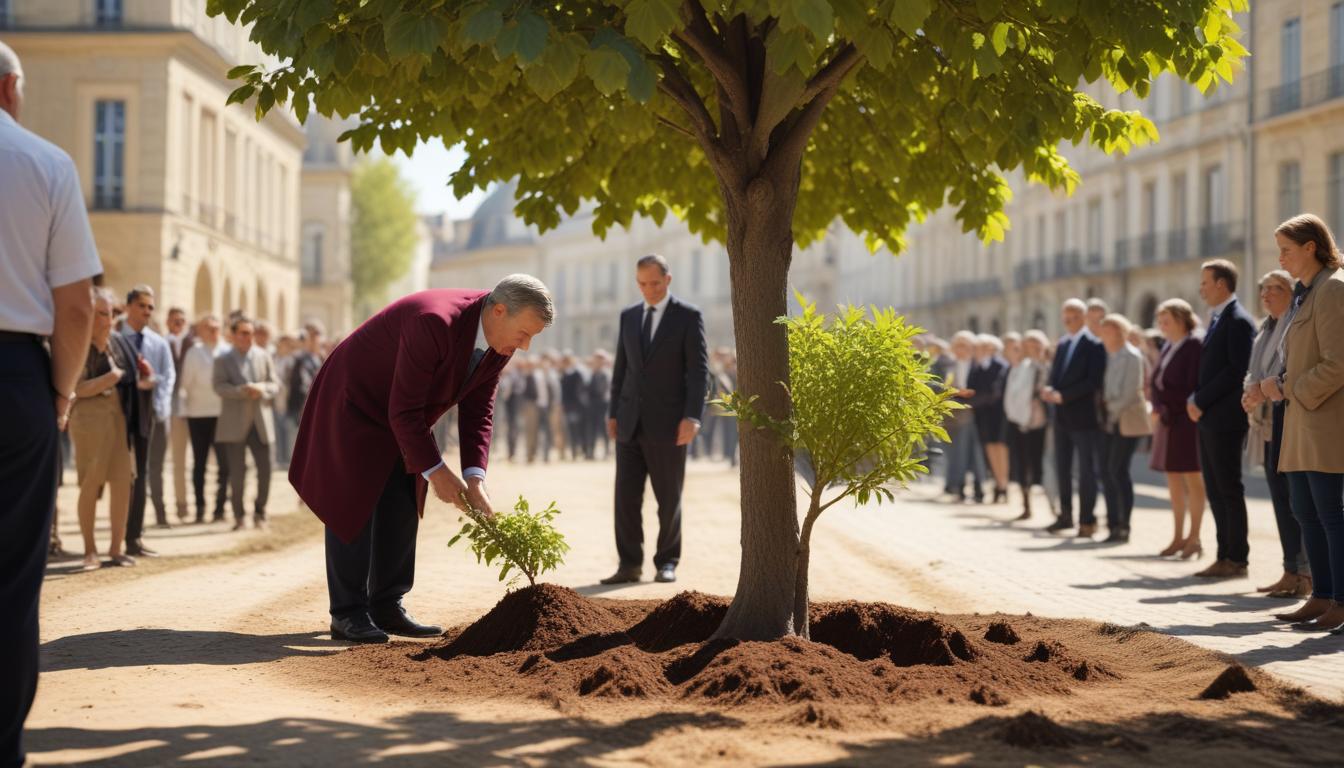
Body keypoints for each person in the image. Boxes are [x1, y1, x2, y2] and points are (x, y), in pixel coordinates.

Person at [290, 276, 552, 643]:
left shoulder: (499, 342)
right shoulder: (434, 321)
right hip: (355, 402)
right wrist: (438, 472)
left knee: (401, 500)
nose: (524, 346)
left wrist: (475, 476)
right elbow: (405, 411)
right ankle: (348, 612)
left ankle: (386, 605)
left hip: (401, 413)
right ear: (498, 310)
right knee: (354, 504)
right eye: (524, 333)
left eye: (532, 338)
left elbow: (479, 410)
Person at [0, 38, 101, 768]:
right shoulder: (45, 163)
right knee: (9, 580)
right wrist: (61, 393)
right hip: (13, 380)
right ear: (11, 90)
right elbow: (76, 308)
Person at [601, 254, 709, 585]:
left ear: (668, 280)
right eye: (643, 284)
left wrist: (692, 415)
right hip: (629, 421)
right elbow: (622, 368)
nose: (649, 290)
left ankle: (667, 562)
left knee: (669, 497)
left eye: (655, 283)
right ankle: (629, 564)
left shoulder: (688, 317)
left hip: (670, 423)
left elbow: (699, 371)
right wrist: (613, 411)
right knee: (625, 498)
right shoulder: (629, 316)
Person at [1264, 214, 1344, 630]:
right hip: (1299, 422)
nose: (1281, 258)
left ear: (1310, 246)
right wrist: (1278, 383)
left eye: (1286, 250)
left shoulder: (1334, 289)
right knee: (1304, 511)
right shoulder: (1305, 292)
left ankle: (1341, 600)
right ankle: (1323, 595)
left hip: (1325, 422)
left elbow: (1337, 363)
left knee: (1331, 513)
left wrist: (1291, 388)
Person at [1241, 270, 1309, 599]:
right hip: (1267, 423)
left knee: (1297, 501)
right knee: (1281, 501)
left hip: (1288, 418)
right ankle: (1289, 570)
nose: (1267, 294)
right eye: (1264, 288)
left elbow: (1285, 371)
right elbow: (1253, 372)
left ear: (1290, 294)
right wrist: (1249, 392)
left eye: (1276, 288)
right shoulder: (1263, 328)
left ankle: (1305, 573)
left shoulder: (1293, 325)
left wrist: (1261, 390)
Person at [1189, 259, 1255, 579]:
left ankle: (1237, 558)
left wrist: (1200, 400)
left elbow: (1235, 370)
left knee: (1228, 488)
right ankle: (1223, 554)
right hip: (1209, 417)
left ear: (1221, 284)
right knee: (1214, 488)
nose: (1201, 289)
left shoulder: (1238, 320)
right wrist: (1195, 399)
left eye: (1205, 282)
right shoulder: (1217, 318)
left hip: (1225, 418)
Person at [69, 288, 137, 570]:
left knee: (123, 482)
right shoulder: (76, 345)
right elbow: (75, 388)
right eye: (99, 314)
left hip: (118, 421)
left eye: (108, 314)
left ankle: (116, 549)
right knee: (90, 483)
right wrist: (109, 379)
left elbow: (131, 377)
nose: (105, 320)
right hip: (88, 422)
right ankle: (89, 551)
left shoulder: (118, 344)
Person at [1042, 299, 1107, 537]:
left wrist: (1064, 396)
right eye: (1065, 318)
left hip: (1084, 417)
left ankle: (1087, 520)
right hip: (1061, 417)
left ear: (1083, 317)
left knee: (1086, 470)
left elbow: (1094, 381)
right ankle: (1065, 515)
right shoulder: (1062, 344)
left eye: (1073, 317)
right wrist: (1049, 389)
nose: (1068, 322)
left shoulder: (1094, 344)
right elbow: (1055, 375)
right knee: (1063, 468)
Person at [1149, 299, 1205, 559]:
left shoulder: (1193, 345)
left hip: (1186, 420)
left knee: (1192, 478)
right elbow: (1156, 381)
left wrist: (1168, 402)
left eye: (1166, 320)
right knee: (1172, 478)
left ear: (1182, 320)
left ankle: (1195, 538)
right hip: (1168, 419)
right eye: (1160, 321)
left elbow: (1193, 382)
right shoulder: (1168, 346)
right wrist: (1158, 405)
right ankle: (1178, 536)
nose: (1162, 326)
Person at [121, 285, 176, 546]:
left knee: (141, 472)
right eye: (142, 305)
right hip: (117, 415)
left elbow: (168, 377)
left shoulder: (159, 343)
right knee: (117, 473)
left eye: (150, 307)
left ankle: (134, 536)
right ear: (129, 306)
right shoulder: (115, 337)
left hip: (148, 414)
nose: (146, 311)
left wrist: (159, 404)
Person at [213, 316, 279, 531]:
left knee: (265, 470)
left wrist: (262, 389)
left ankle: (260, 512)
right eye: (243, 333)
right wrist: (241, 391)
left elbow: (275, 384)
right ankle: (239, 516)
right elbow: (218, 387)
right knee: (237, 473)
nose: (248, 337)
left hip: (261, 424)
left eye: (250, 333)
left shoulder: (263, 355)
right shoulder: (222, 359)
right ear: (233, 335)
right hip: (234, 425)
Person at [1098, 314, 1150, 544]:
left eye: (1108, 331)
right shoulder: (1107, 355)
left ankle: (1124, 524)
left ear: (1119, 332)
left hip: (1125, 419)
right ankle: (1112, 523)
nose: (1104, 335)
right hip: (1109, 420)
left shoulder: (1132, 355)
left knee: (1117, 470)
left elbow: (1131, 391)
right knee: (1108, 472)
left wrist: (1111, 410)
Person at [179, 315, 229, 523]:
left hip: (223, 415)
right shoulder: (194, 352)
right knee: (199, 463)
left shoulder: (227, 351)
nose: (213, 331)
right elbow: (186, 383)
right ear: (200, 330)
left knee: (224, 465)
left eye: (216, 327)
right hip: (198, 414)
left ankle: (219, 508)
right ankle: (200, 508)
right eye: (208, 327)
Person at [1004, 330, 1049, 521]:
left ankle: (1056, 508)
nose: (1032, 349)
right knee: (1023, 464)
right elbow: (1012, 394)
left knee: (1044, 465)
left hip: (1043, 423)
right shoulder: (1019, 368)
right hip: (1020, 421)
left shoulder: (1047, 366)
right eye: (1028, 345)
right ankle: (1026, 504)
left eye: (1036, 345)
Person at [943, 331, 986, 503]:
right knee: (957, 453)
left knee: (975, 454)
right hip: (955, 417)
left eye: (965, 345)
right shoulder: (949, 366)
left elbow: (985, 391)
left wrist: (970, 397)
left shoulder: (978, 366)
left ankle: (979, 488)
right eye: (959, 345)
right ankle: (958, 486)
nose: (962, 349)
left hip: (975, 415)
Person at [969, 334, 1010, 503]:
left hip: (998, 413)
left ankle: (1004, 484)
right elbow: (970, 388)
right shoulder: (977, 366)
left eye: (984, 347)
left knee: (1000, 447)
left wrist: (976, 401)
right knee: (989, 448)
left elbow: (995, 391)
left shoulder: (1000, 365)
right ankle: (998, 483)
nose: (980, 350)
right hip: (982, 414)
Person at [164, 306, 191, 523]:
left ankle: (182, 504)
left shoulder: (193, 345)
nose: (178, 324)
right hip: (164, 409)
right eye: (175, 320)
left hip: (188, 409)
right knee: (161, 461)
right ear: (168, 322)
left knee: (182, 460)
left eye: (182, 320)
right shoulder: (161, 343)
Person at [559, 353, 589, 460]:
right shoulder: (565, 375)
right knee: (573, 431)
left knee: (581, 430)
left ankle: (584, 452)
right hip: (571, 407)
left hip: (579, 407)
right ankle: (574, 453)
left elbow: (581, 391)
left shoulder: (578, 373)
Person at [587, 350, 612, 460]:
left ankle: (607, 451)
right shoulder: (591, 373)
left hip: (603, 405)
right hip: (593, 406)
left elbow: (603, 390)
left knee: (604, 429)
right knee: (592, 429)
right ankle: (591, 452)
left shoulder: (606, 374)